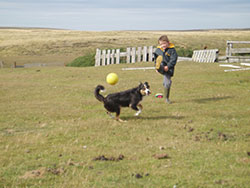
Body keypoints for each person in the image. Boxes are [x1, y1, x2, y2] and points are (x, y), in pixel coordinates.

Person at [154, 35, 178, 104]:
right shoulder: (158, 50)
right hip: (161, 66)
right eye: (161, 44)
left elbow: (173, 60)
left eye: (164, 43)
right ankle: (159, 68)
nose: (163, 45)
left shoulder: (172, 50)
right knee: (160, 64)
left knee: (167, 83)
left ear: (168, 42)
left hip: (168, 69)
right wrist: (156, 67)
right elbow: (156, 60)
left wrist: (168, 66)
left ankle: (166, 98)